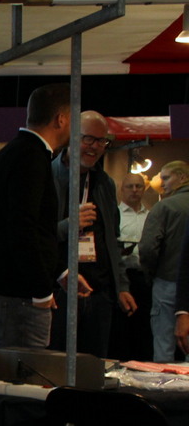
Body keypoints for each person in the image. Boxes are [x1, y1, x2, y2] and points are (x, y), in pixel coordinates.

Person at [0, 83, 72, 358]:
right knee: (20, 376)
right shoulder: (31, 157)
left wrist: (59, 271)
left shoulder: (14, 152)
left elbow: (28, 227)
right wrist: (41, 290)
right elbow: (22, 229)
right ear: (61, 119)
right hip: (14, 294)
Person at [48, 110, 136, 359]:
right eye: (88, 139)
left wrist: (121, 286)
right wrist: (69, 225)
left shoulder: (104, 183)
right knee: (57, 366)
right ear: (72, 137)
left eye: (101, 141)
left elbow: (112, 240)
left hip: (99, 294)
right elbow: (33, 236)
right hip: (59, 291)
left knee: (94, 366)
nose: (95, 147)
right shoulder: (47, 177)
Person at [140, 161, 189, 362]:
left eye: (166, 177)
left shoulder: (164, 206)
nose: (162, 183)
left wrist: (151, 273)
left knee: (163, 347)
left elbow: (147, 248)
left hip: (167, 282)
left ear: (183, 177)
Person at [112, 171, 152, 360]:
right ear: (122, 189)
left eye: (139, 186)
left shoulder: (151, 215)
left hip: (144, 277)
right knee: (121, 327)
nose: (134, 190)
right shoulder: (116, 214)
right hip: (122, 275)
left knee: (143, 326)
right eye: (130, 186)